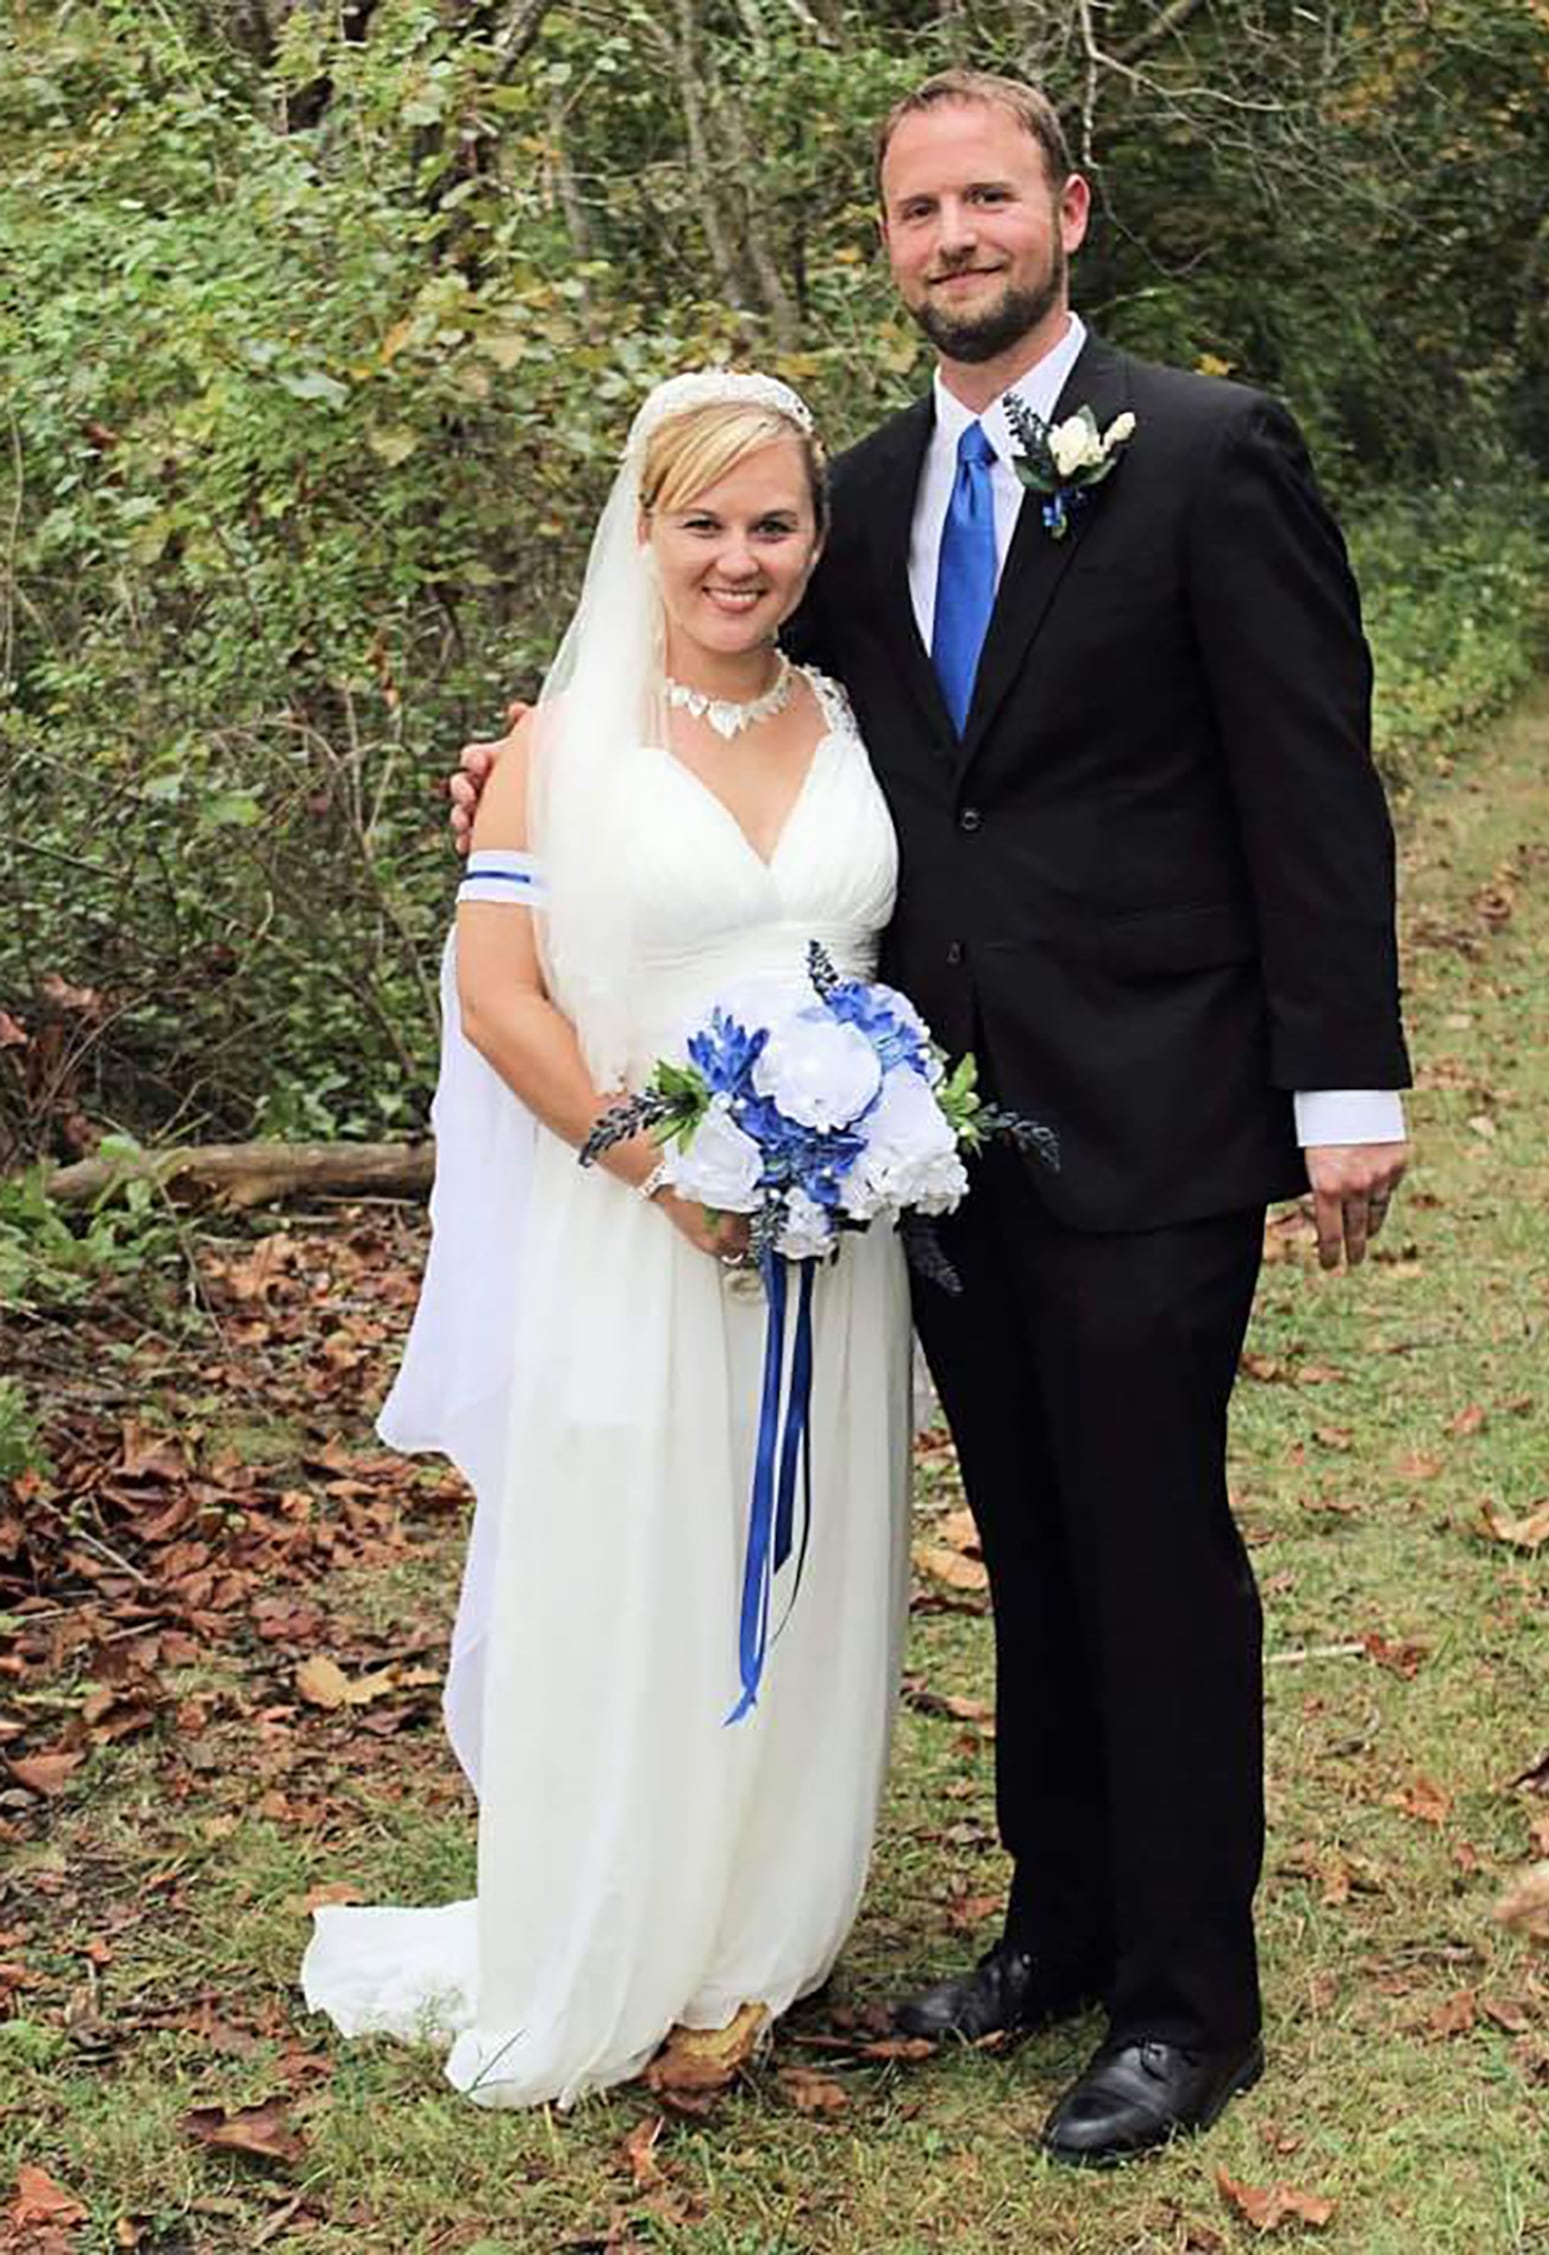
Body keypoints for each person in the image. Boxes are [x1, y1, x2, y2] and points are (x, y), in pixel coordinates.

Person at [451, 72, 1412, 2163]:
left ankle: (1184, 1998)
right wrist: (529, 778)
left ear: (1063, 208)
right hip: (927, 1140)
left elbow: (1306, 786)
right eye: (913, 209)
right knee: (1034, 1544)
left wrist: (1341, 1081)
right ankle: (1054, 1928)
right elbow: (721, 703)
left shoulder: (1208, 451)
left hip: (1158, 1113)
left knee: (1150, 1547)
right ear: (884, 243)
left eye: (985, 196)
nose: (951, 234)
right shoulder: (856, 492)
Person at [301, 371, 913, 2108]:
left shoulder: (858, 720)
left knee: (807, 1563)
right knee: (636, 1561)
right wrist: (665, 1171)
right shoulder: (561, 748)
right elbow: (499, 999)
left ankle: (756, 1943)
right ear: (641, 532)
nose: (738, 558)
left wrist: (858, 1143)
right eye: (701, 522)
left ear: (814, 538)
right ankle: (612, 1927)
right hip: (639, 1229)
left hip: (832, 1242)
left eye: (772, 523)